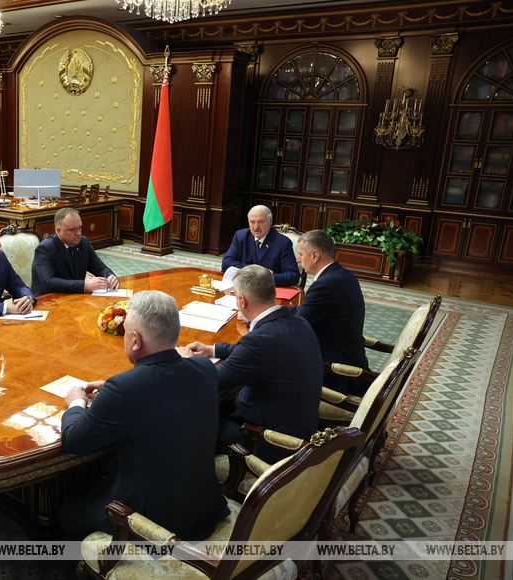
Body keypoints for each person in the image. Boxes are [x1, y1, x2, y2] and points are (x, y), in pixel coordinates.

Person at [59, 291, 228, 540]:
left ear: (135, 340)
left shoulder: (123, 388)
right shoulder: (204, 368)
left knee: (66, 514)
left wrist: (76, 401)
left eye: (127, 332)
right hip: (204, 506)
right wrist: (110, 398)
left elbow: (73, 440)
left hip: (155, 523)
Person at [183, 265, 321, 462]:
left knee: (191, 420)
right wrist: (213, 349)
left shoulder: (259, 341)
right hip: (299, 423)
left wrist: (189, 360)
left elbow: (211, 380)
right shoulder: (297, 321)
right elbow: (255, 353)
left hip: (268, 439)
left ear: (242, 300)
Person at [294, 229, 369, 395]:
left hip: (334, 372)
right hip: (349, 356)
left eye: (300, 254)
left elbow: (297, 324)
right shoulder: (342, 275)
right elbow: (307, 311)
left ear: (315, 255)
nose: (298, 259)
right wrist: (275, 310)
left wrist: (260, 318)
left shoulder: (325, 285)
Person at [31, 208, 118, 296]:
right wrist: (85, 286)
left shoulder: (83, 242)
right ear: (58, 231)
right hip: (48, 299)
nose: (78, 233)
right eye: (72, 230)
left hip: (75, 297)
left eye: (79, 228)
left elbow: (100, 268)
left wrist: (109, 276)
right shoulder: (45, 249)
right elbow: (49, 283)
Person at [221, 205, 299, 287]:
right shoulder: (241, 236)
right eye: (252, 222)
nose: (256, 227)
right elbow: (227, 262)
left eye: (261, 222)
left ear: (270, 221)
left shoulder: (283, 242)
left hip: (268, 289)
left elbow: (293, 276)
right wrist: (254, 272)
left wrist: (265, 278)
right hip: (243, 286)